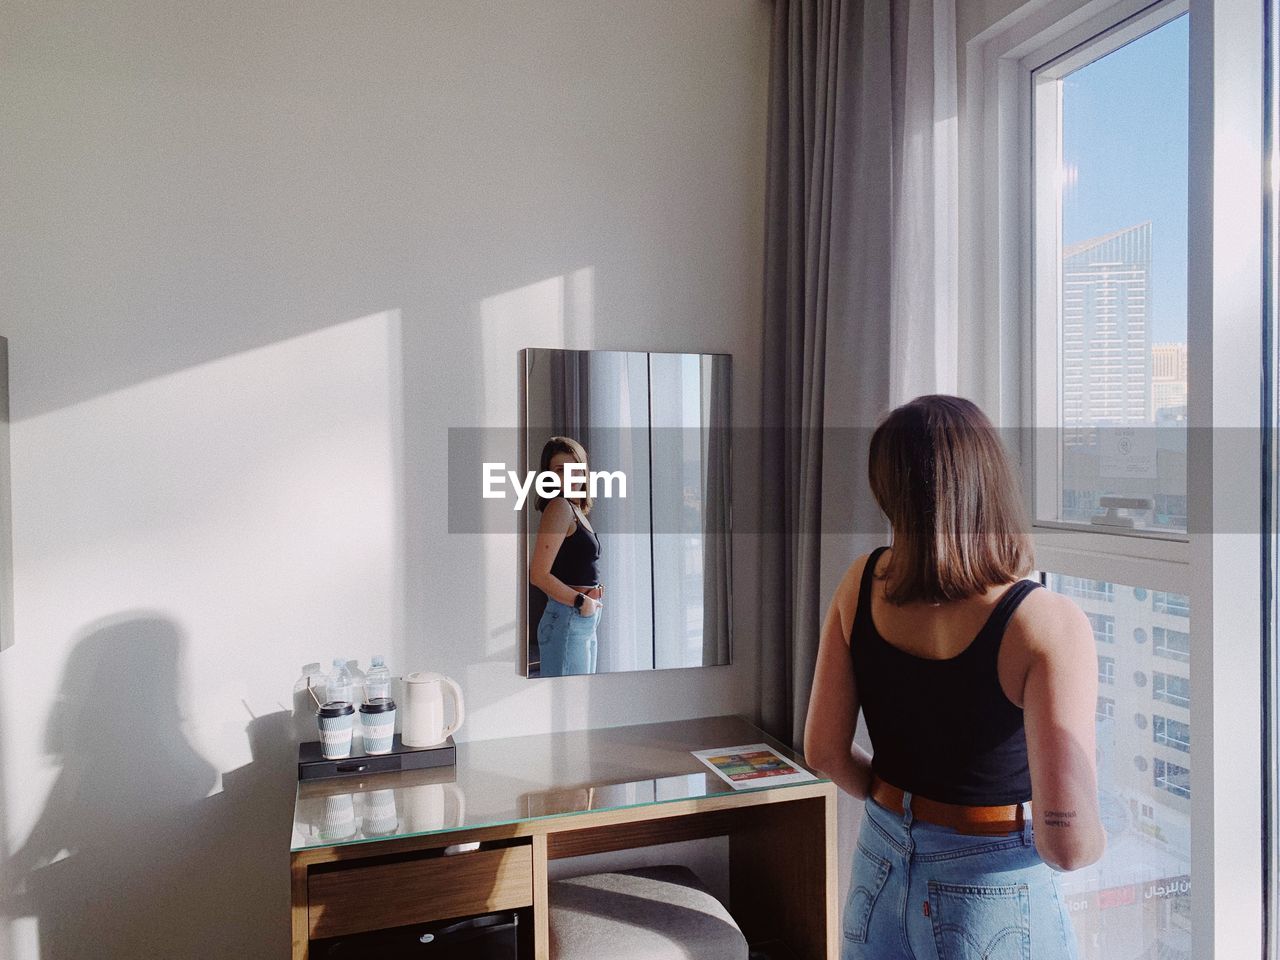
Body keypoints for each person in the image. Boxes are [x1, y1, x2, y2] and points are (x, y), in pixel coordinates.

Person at [804, 395, 1105, 960]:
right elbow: (1067, 846)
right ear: (991, 480)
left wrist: (903, 805)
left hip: (880, 864)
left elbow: (823, 751)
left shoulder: (860, 581)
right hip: (993, 890)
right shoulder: (1044, 623)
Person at [529, 436, 604, 676]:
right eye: (560, 470)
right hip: (569, 616)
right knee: (570, 706)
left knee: (578, 703)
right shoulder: (559, 507)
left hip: (582, 617)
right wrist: (581, 601)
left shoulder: (575, 510)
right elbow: (538, 575)